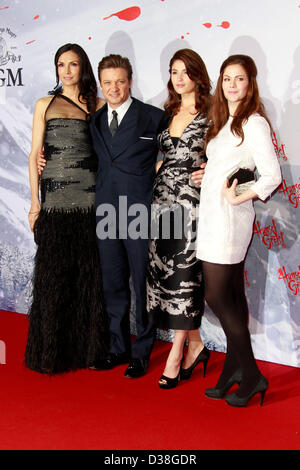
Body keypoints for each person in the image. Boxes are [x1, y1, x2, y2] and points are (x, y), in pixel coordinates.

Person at [196, 54, 282, 407]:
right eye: (227, 78)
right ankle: (233, 369)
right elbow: (227, 165)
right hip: (212, 216)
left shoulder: (254, 122)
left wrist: (239, 196)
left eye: (240, 79)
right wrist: (206, 172)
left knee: (216, 297)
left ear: (250, 83)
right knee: (230, 295)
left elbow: (271, 175)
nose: (232, 85)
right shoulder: (223, 120)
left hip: (229, 220)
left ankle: (251, 373)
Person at [25, 43, 109, 374]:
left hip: (90, 203)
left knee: (87, 280)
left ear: (83, 68)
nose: (67, 70)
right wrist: (35, 203)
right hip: (55, 203)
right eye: (61, 64)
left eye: (73, 64)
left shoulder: (99, 105)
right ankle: (52, 353)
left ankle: (87, 351)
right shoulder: (44, 104)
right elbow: (35, 156)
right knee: (53, 279)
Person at [89, 54, 165, 378]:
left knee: (141, 283)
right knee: (113, 284)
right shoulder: (94, 121)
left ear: (130, 81)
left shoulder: (153, 117)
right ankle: (117, 348)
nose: (114, 88)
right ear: (101, 85)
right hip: (106, 211)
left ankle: (141, 352)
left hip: (139, 212)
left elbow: (177, 151)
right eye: (107, 82)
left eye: (120, 81)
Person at [147, 49, 211, 389]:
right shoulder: (167, 112)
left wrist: (211, 170)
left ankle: (175, 355)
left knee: (185, 276)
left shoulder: (213, 112)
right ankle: (197, 345)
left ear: (198, 74)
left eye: (185, 71)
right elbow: (161, 155)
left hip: (192, 208)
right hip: (161, 206)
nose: (179, 77)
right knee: (168, 279)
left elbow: (232, 153)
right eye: (174, 72)